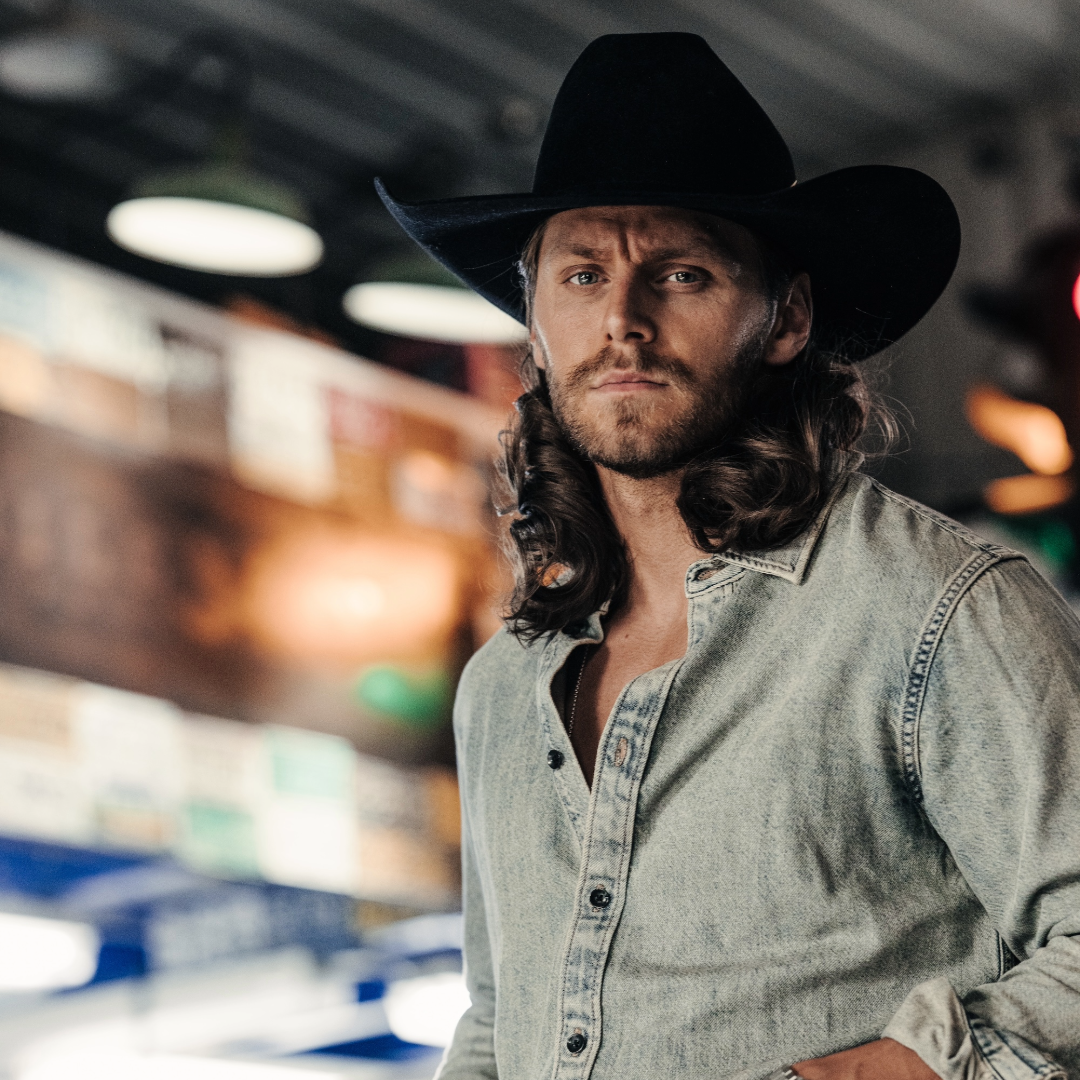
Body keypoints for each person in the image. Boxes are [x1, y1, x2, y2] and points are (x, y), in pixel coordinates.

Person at [379, 33, 1080, 1080]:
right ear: (535, 318)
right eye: (582, 274)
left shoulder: (936, 610)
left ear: (787, 317)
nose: (623, 321)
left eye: (682, 274)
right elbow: (499, 1020)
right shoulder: (502, 687)